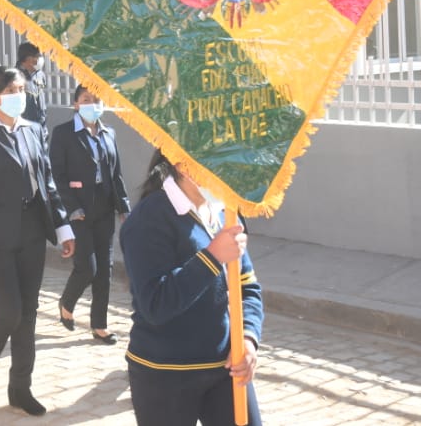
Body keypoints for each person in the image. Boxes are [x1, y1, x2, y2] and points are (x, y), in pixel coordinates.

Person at [0, 65, 75, 416]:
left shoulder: (34, 130)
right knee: (8, 313)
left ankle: (20, 388)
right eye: (11, 91)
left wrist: (63, 228)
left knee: (29, 315)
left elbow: (48, 182)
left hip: (32, 234)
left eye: (22, 89)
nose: (18, 97)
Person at [121, 153, 263, 426]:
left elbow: (248, 286)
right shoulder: (147, 219)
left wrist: (248, 337)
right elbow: (155, 304)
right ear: (184, 165)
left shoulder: (226, 212)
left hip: (226, 369)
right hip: (164, 374)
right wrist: (211, 257)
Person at [50, 84, 131, 344]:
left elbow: (115, 174)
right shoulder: (64, 134)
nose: (91, 103)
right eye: (86, 99)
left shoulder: (109, 133)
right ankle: (67, 301)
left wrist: (124, 208)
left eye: (96, 99)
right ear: (75, 104)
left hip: (104, 211)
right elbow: (57, 176)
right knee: (87, 268)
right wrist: (71, 207)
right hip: (79, 212)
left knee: (104, 271)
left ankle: (100, 326)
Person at [14, 42, 48, 130]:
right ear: (28, 58)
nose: (40, 59)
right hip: (24, 128)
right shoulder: (15, 77)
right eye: (37, 56)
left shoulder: (40, 75)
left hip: (41, 127)